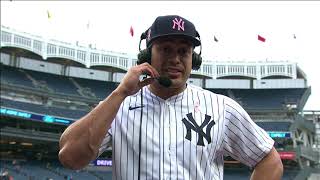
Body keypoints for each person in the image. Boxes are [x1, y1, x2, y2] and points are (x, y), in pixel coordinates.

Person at [58, 15, 283, 180]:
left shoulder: (221, 107)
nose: (175, 58)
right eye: (165, 49)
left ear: (193, 59)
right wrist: (120, 93)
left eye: (184, 51)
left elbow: (269, 160)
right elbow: (71, 158)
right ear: (147, 55)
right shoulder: (119, 106)